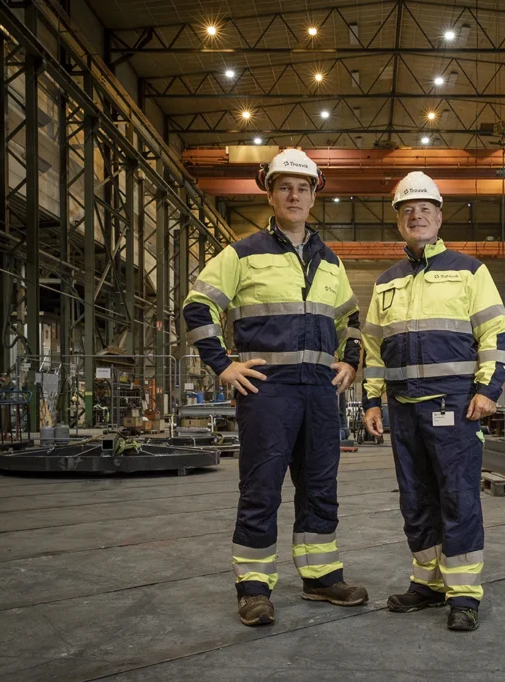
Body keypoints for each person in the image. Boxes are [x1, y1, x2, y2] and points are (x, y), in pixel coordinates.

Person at [182, 148, 368, 627]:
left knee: (320, 488)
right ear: (270, 192)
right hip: (269, 391)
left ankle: (321, 577)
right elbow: (197, 307)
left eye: (303, 188)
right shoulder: (242, 253)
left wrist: (350, 361)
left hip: (321, 394)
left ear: (313, 196)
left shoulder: (330, 261)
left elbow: (351, 318)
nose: (294, 195)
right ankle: (254, 588)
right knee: (261, 489)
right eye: (285, 186)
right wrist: (222, 365)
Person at [361, 171, 505, 632]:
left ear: (439, 216)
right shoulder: (386, 282)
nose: (417, 216)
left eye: (425, 209)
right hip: (404, 409)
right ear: (398, 221)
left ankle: (463, 593)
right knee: (416, 498)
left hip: (457, 406)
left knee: (459, 496)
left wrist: (488, 390)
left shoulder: (470, 270)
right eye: (408, 210)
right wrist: (371, 401)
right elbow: (371, 347)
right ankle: (427, 582)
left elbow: (495, 332)